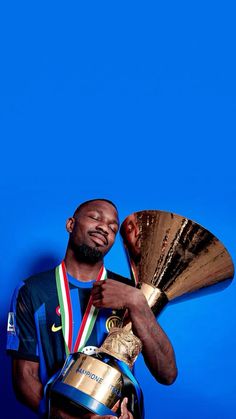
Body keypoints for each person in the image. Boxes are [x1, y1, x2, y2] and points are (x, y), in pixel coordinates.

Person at [6, 199, 177, 418]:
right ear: (70, 224)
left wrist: (137, 302)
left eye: (113, 228)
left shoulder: (132, 293)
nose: (104, 227)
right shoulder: (32, 291)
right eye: (95, 217)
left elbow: (168, 373)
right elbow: (24, 377)